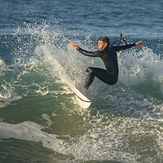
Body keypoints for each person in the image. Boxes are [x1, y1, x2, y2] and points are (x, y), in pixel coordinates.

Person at [69, 36, 144, 89]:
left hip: (111, 79)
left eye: (100, 43)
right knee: (89, 69)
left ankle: (85, 88)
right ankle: (80, 81)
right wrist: (134, 44)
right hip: (113, 77)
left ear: (105, 44)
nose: (98, 44)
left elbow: (87, 53)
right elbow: (123, 47)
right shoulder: (112, 48)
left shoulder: (101, 53)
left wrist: (77, 48)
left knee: (91, 70)